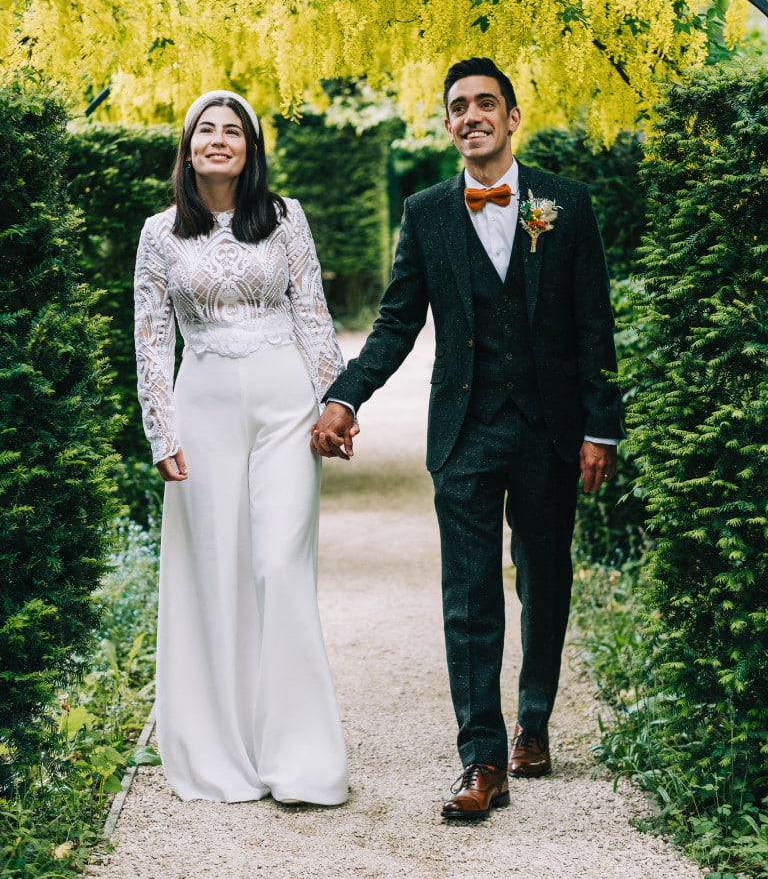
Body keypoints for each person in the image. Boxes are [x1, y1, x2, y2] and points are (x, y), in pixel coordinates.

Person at [311, 58, 623, 821]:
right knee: (470, 596)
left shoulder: (566, 205)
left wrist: (600, 428)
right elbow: (396, 321)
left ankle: (535, 722)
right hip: (465, 431)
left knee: (545, 578)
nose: (472, 115)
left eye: (487, 103)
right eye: (459, 106)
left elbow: (594, 325)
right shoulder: (425, 213)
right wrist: (347, 396)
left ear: (513, 118)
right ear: (448, 124)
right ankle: (482, 759)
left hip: (551, 431)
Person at [134, 89, 348, 806]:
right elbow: (152, 341)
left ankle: (302, 759)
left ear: (251, 151)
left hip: (286, 403)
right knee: (216, 574)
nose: (219, 139)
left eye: (233, 131)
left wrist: (337, 405)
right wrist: (161, 430)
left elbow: (313, 313)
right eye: (206, 130)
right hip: (203, 411)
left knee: (279, 563)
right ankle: (224, 748)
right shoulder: (159, 234)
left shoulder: (285, 218)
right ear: (188, 148)